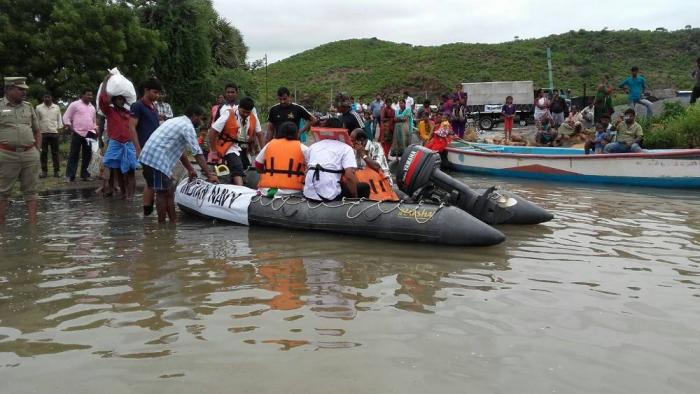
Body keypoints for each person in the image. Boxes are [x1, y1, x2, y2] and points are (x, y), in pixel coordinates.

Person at [139, 105, 218, 223]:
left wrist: (191, 169)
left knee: (169, 191)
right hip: (155, 159)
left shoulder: (176, 121)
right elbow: (197, 153)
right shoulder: (187, 126)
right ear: (194, 116)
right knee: (162, 192)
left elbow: (181, 153)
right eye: (200, 119)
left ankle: (172, 223)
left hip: (150, 157)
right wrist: (209, 174)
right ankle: (162, 226)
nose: (201, 123)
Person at [0, 77, 41, 224]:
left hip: (30, 153)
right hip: (6, 154)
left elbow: (37, 130)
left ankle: (33, 229)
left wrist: (37, 150)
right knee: (2, 192)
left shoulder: (28, 106)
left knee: (31, 192)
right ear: (9, 89)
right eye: (20, 89)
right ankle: (2, 231)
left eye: (24, 89)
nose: (24, 92)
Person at [99, 73, 139, 199]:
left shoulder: (129, 113)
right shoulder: (109, 111)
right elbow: (103, 100)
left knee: (131, 171)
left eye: (122, 99)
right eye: (118, 99)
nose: (120, 101)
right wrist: (106, 81)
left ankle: (130, 196)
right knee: (118, 171)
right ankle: (123, 193)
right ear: (114, 101)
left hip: (129, 143)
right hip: (115, 143)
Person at [208, 97, 261, 185]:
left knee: (245, 168)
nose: (245, 114)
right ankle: (240, 190)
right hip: (229, 146)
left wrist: (263, 150)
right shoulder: (228, 114)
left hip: (243, 147)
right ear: (239, 107)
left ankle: (235, 183)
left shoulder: (252, 117)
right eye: (243, 111)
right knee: (237, 167)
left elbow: (260, 133)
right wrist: (213, 151)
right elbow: (212, 131)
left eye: (248, 112)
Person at [129, 77, 162, 216]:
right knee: (151, 182)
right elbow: (131, 128)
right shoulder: (137, 106)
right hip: (145, 150)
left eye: (159, 93)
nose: (157, 95)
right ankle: (147, 214)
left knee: (156, 182)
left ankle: (150, 214)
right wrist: (138, 150)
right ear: (146, 90)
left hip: (156, 150)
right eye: (155, 92)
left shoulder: (153, 107)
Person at [303, 135, 369, 201]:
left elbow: (306, 168)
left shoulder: (313, 146)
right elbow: (349, 177)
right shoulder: (346, 148)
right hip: (329, 196)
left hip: (308, 194)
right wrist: (355, 198)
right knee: (363, 187)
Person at [255, 121, 308, 196]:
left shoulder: (269, 145)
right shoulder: (303, 148)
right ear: (296, 133)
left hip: (266, 190)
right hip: (292, 191)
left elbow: (258, 165)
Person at [213, 83, 263, 155]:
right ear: (225, 93)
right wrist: (214, 149)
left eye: (232, 92)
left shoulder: (245, 106)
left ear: (237, 93)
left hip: (244, 144)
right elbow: (215, 128)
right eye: (228, 92)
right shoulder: (221, 108)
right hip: (226, 144)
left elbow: (255, 127)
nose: (230, 94)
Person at [350, 129, 398, 201]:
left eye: (353, 141)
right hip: (365, 182)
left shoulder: (376, 146)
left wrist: (362, 154)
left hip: (381, 183)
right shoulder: (353, 149)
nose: (351, 143)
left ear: (361, 141)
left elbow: (376, 166)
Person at [63, 89, 97, 182]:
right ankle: (70, 175)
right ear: (82, 95)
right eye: (88, 94)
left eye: (91, 95)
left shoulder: (92, 107)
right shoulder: (75, 104)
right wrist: (70, 127)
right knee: (74, 154)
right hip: (77, 132)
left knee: (88, 155)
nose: (90, 96)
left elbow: (94, 121)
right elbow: (66, 117)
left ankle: (85, 175)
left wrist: (95, 129)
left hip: (89, 133)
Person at [35, 92, 63, 178]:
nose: (47, 99)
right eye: (45, 97)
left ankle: (57, 171)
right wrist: (36, 133)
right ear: (43, 98)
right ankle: (44, 171)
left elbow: (59, 120)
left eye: (48, 97)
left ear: (51, 98)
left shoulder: (56, 107)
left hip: (54, 133)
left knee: (55, 153)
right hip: (42, 133)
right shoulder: (38, 108)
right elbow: (36, 121)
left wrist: (60, 131)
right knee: (43, 153)